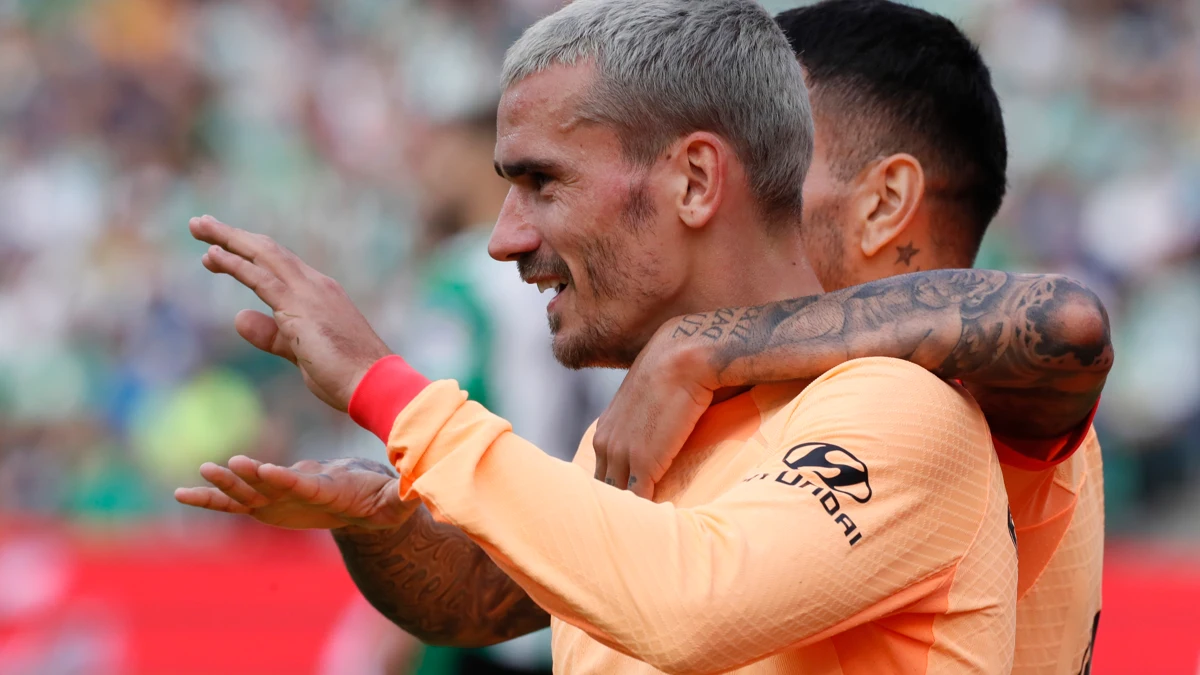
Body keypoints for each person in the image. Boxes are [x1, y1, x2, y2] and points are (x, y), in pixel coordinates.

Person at [176, 0, 1021, 672]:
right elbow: (489, 602)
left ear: (694, 180)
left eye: (542, 182)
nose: (504, 237)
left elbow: (690, 608)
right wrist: (381, 527)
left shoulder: (901, 406)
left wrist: (382, 386)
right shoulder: (644, 424)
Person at [591, 4, 1108, 674]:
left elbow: (1066, 323)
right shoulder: (792, 397)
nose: (724, 198)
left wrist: (703, 344)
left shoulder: (976, 399)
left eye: (773, 162)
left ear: (884, 202)